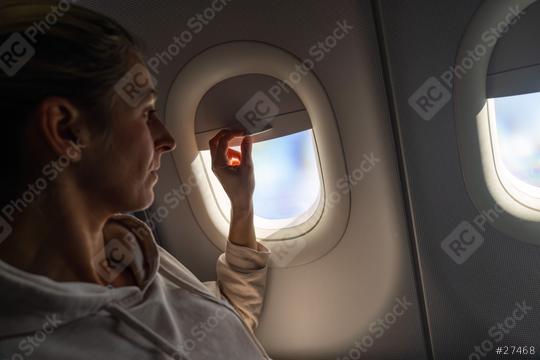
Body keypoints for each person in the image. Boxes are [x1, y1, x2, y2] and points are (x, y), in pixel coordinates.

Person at [0, 1, 271, 359]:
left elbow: (223, 329)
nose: (168, 140)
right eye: (146, 113)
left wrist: (241, 205)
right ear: (66, 130)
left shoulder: (130, 250)